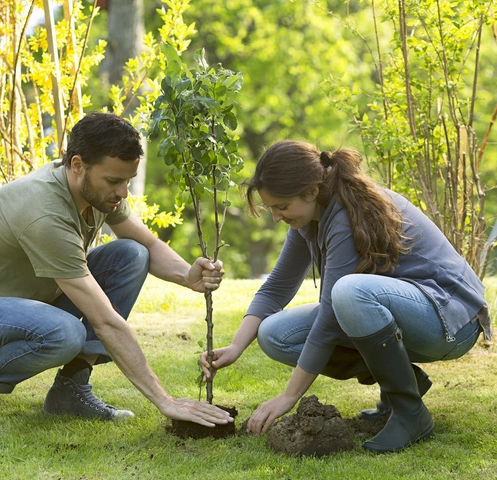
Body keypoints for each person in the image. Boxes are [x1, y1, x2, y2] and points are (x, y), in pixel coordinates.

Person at [0, 112, 233, 429]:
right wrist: (164, 401)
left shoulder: (98, 194)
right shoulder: (44, 212)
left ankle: (71, 389)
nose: (123, 192)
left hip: (30, 307)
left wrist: (187, 275)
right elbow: (105, 321)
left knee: (131, 254)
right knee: (65, 334)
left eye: (127, 180)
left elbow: (150, 246)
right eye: (114, 181)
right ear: (77, 165)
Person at [200, 140, 491, 453]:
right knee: (274, 334)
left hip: (450, 319)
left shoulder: (346, 215)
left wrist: (289, 396)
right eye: (271, 207)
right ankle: (404, 385)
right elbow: (277, 286)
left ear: (311, 191)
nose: (275, 217)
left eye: (281, 207)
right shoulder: (310, 218)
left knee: (349, 293)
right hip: (409, 311)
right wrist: (237, 346)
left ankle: (410, 414)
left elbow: (329, 318)